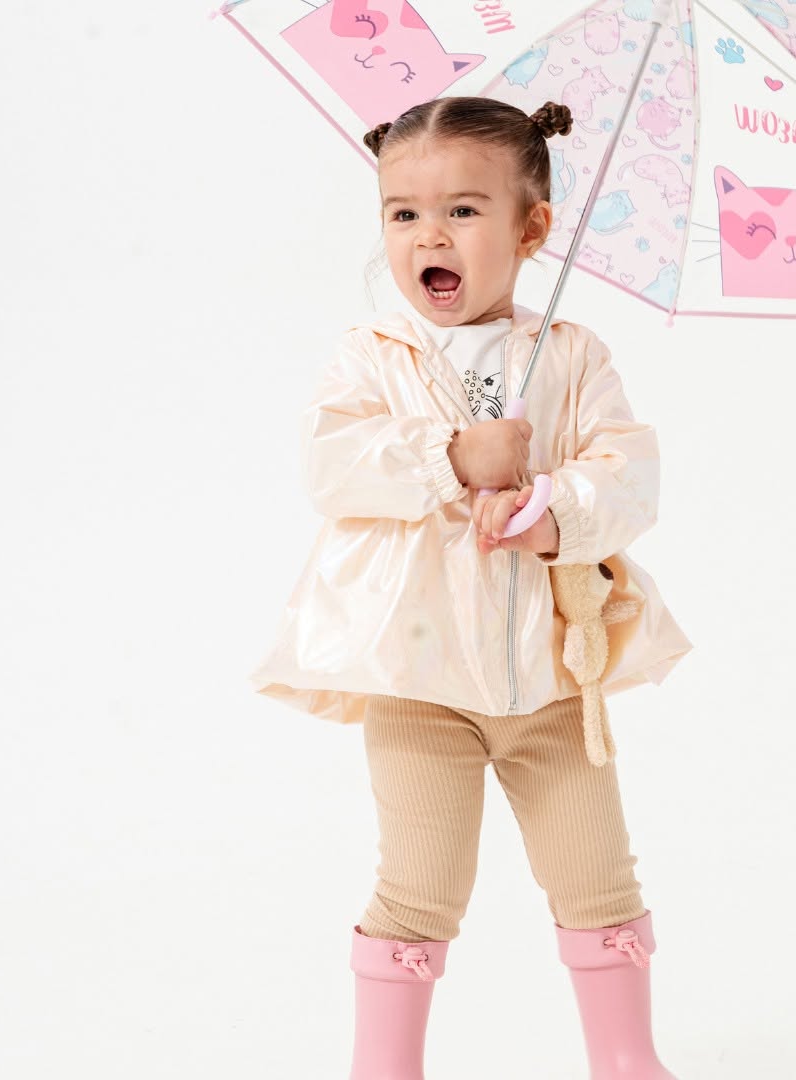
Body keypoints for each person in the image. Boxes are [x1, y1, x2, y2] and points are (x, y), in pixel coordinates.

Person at [248, 96, 693, 1079]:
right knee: (420, 882)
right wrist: (453, 456)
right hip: (419, 685)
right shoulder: (374, 357)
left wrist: (555, 509)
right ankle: (385, 1065)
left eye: (462, 210)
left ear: (532, 229)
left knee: (597, 874)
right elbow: (333, 466)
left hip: (552, 682)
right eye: (403, 213)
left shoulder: (570, 356)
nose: (429, 236)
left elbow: (629, 473)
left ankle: (627, 1056)